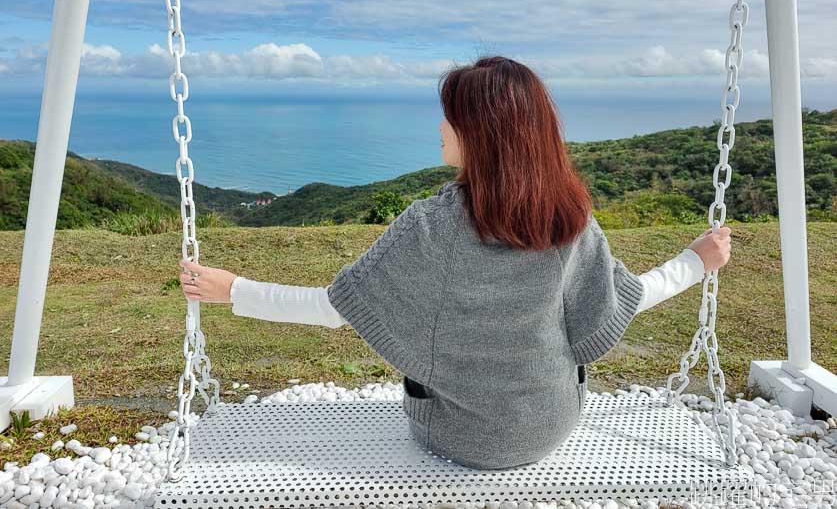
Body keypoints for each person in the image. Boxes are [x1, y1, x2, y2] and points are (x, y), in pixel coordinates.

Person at [178, 56, 732, 470]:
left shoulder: (430, 225)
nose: (440, 129)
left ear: (480, 136)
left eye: (449, 119)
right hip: (553, 424)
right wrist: (694, 261)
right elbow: (623, 300)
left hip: (458, 438)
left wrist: (235, 290)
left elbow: (338, 309)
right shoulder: (569, 215)